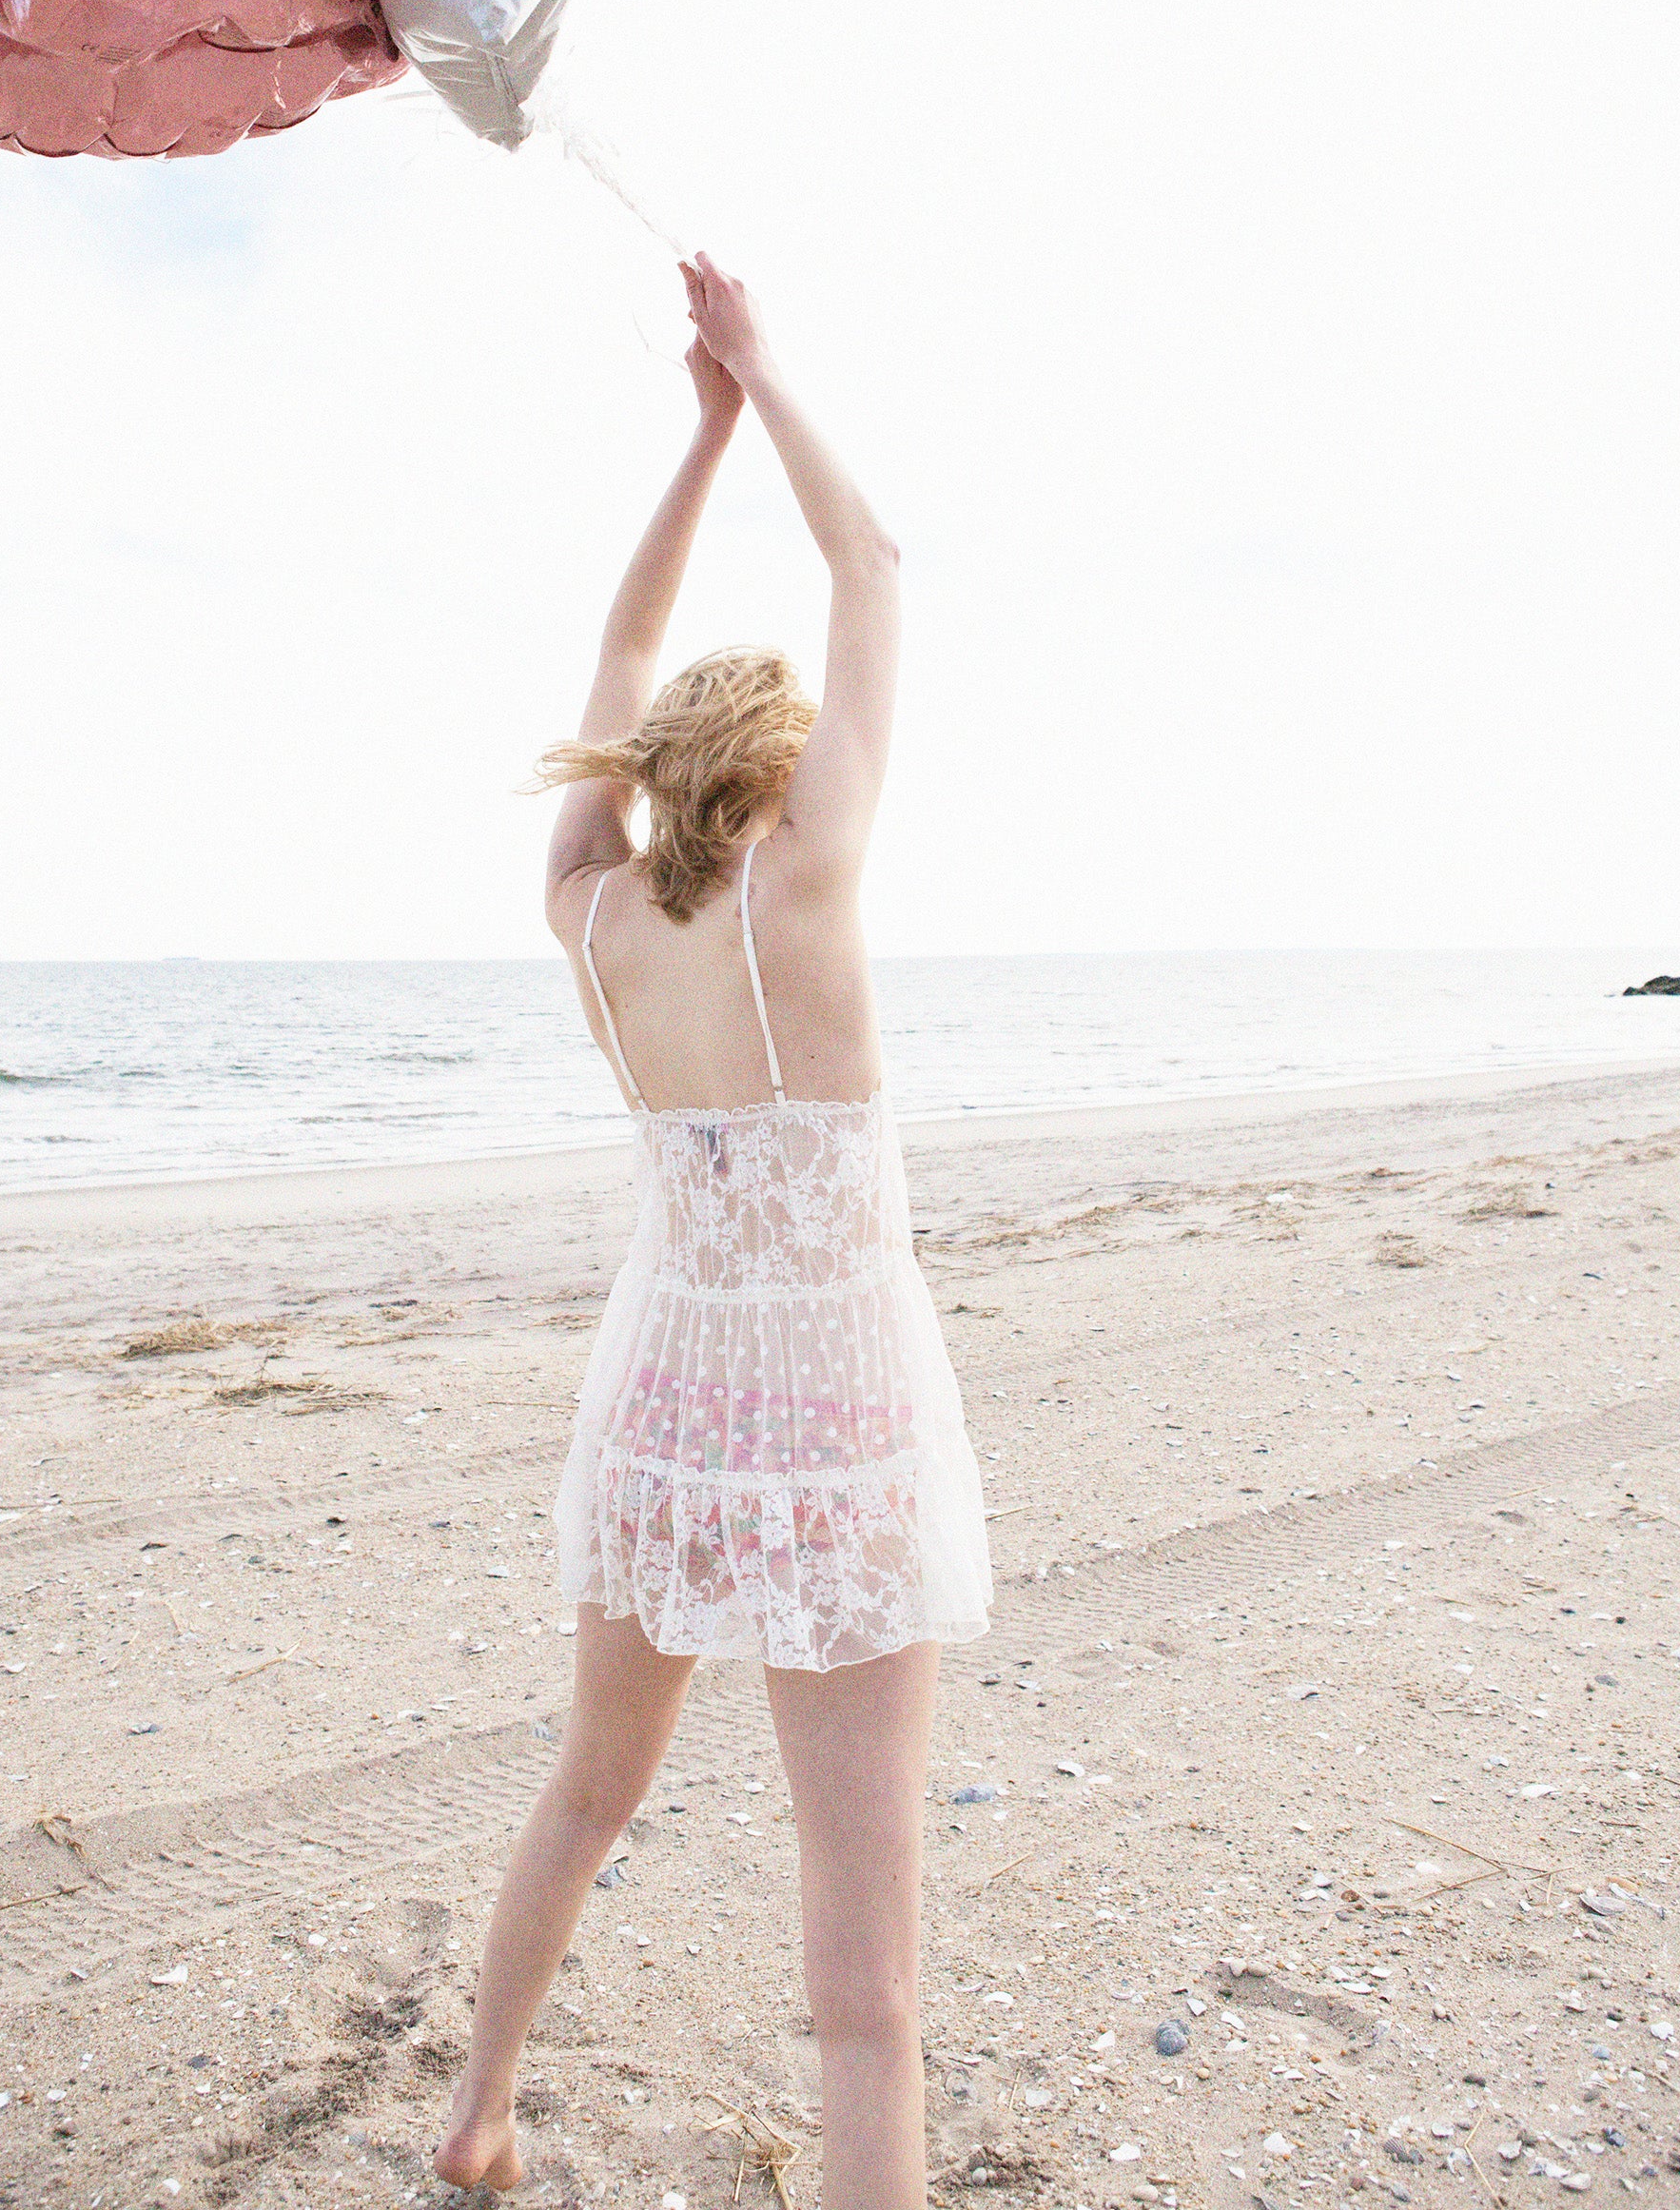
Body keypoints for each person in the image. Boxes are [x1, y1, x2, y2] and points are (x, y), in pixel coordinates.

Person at [435, 256, 991, 2205]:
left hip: (667, 1416)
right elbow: (880, 572)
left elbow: (617, 645)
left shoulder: (588, 914)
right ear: (776, 777)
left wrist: (696, 439)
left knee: (590, 1795)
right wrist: (764, 381)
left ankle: (481, 2115)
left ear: (654, 773)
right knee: (864, 1978)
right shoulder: (804, 895)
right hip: (831, 1423)